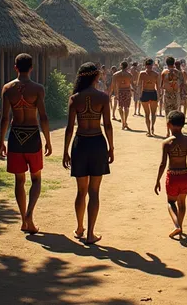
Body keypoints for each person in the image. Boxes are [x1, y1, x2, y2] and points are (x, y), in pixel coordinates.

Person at [0, 53, 52, 235]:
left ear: (15, 67)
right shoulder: (37, 89)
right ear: (31, 68)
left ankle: (24, 220)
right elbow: (43, 117)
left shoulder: (7, 88)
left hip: (15, 137)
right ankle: (29, 215)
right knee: (36, 178)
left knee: (19, 180)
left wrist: (1, 142)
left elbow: (5, 118)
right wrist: (48, 141)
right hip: (32, 136)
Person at [63, 62, 114, 245]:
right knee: (94, 191)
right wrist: (111, 147)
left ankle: (79, 228)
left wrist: (65, 152)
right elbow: (107, 125)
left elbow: (70, 128)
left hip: (80, 144)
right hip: (97, 143)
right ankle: (90, 233)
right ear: (96, 77)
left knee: (81, 191)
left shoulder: (74, 98)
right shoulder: (103, 97)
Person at [155, 110, 187, 238]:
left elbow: (163, 163)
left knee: (170, 202)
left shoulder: (166, 143)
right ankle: (180, 226)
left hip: (172, 176)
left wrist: (157, 180)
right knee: (182, 203)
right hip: (184, 175)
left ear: (168, 124)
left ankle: (176, 226)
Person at [139, 58, 160, 136]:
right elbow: (139, 85)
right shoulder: (154, 74)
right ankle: (150, 129)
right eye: (149, 66)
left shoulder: (154, 74)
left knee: (151, 113)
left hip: (149, 93)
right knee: (149, 113)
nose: (149, 68)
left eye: (150, 66)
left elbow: (158, 86)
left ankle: (151, 129)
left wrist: (159, 95)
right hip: (148, 93)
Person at [111, 60, 134, 130]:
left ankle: (123, 122)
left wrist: (113, 93)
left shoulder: (115, 75)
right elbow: (132, 84)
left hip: (120, 91)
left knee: (120, 107)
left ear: (121, 66)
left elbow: (113, 85)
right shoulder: (129, 75)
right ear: (127, 67)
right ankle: (125, 121)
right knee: (126, 108)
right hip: (127, 91)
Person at [162, 57, 180, 135]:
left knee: (167, 113)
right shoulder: (178, 72)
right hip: (175, 94)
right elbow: (179, 85)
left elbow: (162, 85)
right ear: (174, 63)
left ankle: (168, 131)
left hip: (167, 95)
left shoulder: (164, 72)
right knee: (175, 113)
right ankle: (175, 131)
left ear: (166, 63)